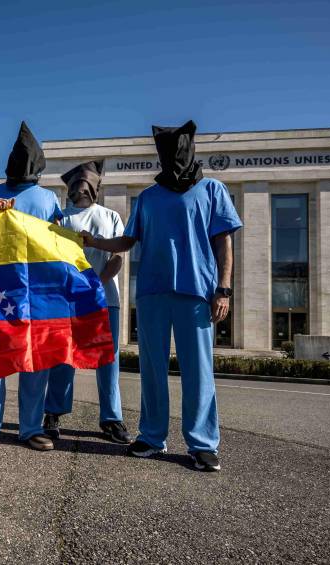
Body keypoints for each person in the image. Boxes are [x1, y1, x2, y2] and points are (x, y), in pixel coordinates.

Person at [82, 120, 242, 472]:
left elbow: (224, 242)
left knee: (199, 372)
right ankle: (152, 436)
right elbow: (127, 241)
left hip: (197, 293)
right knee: (151, 370)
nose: (174, 159)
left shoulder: (213, 190)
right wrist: (94, 242)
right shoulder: (149, 197)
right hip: (153, 294)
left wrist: (224, 289)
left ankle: (202, 444)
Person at [0, 121, 63, 453]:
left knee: (36, 360)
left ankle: (30, 427)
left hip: (37, 290)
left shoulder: (50, 198)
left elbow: (57, 243)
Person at [44, 160, 133, 444]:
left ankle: (111, 418)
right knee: (63, 355)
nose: (82, 191)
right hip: (69, 299)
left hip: (106, 298)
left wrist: (99, 281)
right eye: (77, 186)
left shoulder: (110, 216)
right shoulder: (61, 219)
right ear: (69, 188)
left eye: (87, 186)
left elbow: (118, 256)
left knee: (108, 359)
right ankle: (54, 412)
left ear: (96, 187)